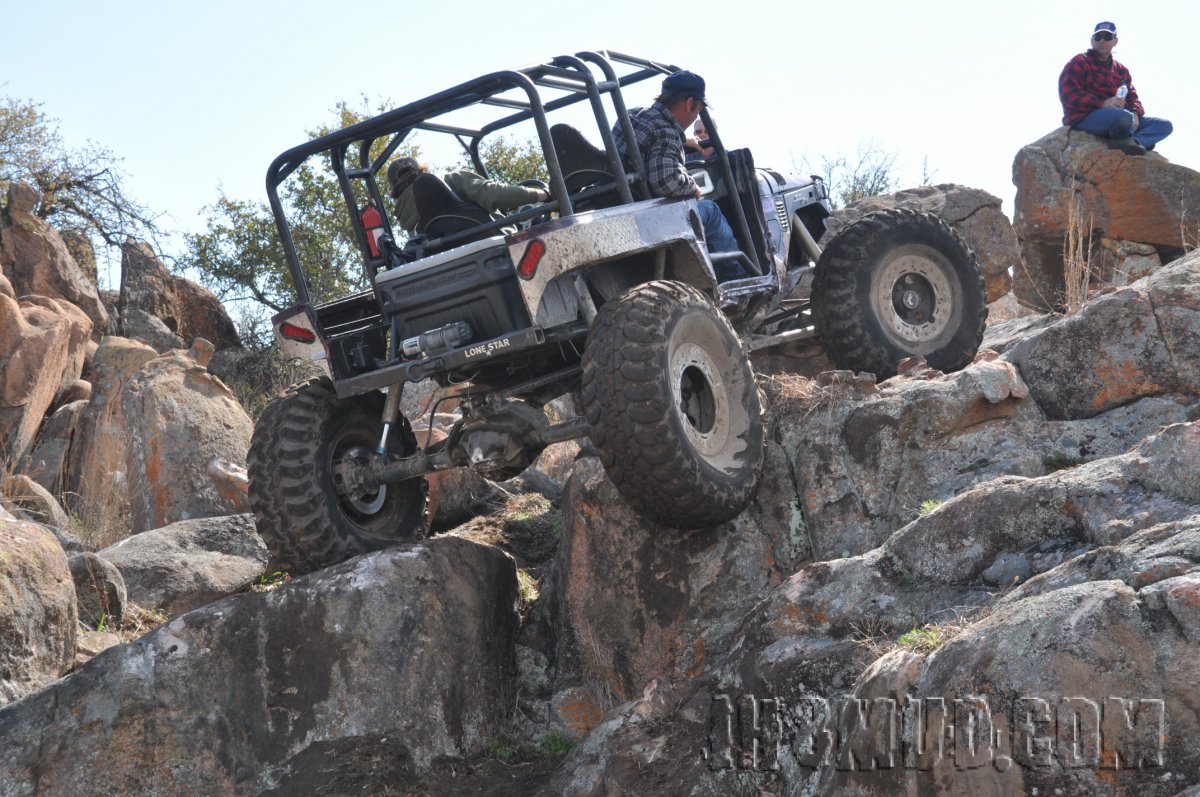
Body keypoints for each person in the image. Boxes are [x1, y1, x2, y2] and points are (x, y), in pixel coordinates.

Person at [611, 70, 747, 280]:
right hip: (649, 219)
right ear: (689, 103)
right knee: (710, 209)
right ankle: (738, 280)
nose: (695, 116)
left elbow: (646, 146)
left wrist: (684, 141)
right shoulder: (667, 131)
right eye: (698, 110)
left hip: (621, 207)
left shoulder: (631, 115)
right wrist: (692, 187)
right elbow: (666, 182)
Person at [1058, 21, 1173, 156]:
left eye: (1107, 37)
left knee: (1164, 126)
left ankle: (1133, 141)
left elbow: (1132, 97)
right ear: (1092, 41)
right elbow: (1068, 94)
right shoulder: (1079, 62)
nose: (1102, 41)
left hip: (1121, 118)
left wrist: (1135, 113)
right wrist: (1102, 104)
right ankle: (1137, 140)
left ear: (1115, 41)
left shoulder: (1121, 70)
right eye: (1098, 37)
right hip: (1085, 117)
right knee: (1123, 117)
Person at [386, 157, 549, 235]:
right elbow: (493, 193)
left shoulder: (408, 222)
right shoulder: (452, 181)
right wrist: (542, 194)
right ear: (423, 170)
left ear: (396, 192)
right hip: (498, 247)